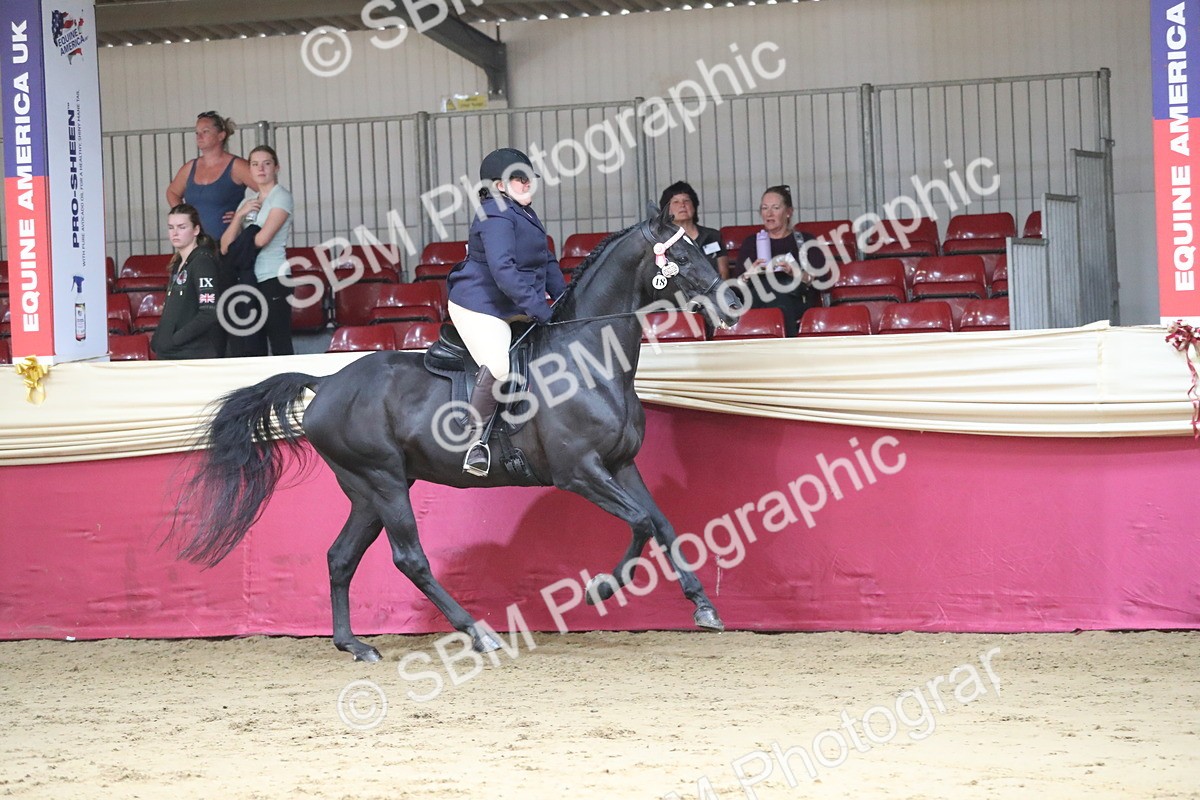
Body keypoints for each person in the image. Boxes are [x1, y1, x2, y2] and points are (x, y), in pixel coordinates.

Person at [446, 147, 568, 477]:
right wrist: (542, 310)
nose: (527, 183)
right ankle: (474, 443)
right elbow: (504, 271)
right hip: (481, 306)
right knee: (499, 365)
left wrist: (565, 300)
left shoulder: (524, 213)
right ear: (500, 186)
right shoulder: (495, 214)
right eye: (519, 178)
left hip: (513, 303)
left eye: (529, 177)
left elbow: (547, 262)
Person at [220, 145, 294, 357]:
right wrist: (238, 216)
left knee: (279, 341)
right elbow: (225, 246)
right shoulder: (247, 201)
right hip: (249, 280)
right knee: (253, 343)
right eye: (255, 164)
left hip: (274, 277)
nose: (260, 169)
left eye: (266, 163)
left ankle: (290, 389)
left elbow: (262, 239)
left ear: (276, 167)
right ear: (249, 170)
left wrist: (238, 243)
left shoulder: (281, 197)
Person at [733, 185, 826, 336]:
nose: (769, 213)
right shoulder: (751, 243)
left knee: (780, 299)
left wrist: (795, 272)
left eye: (775, 208)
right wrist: (748, 275)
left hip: (793, 299)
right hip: (758, 299)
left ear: (789, 212)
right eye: (764, 208)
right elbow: (736, 287)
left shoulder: (804, 241)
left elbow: (821, 280)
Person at [165, 111, 256, 243]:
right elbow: (172, 192)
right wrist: (184, 218)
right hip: (196, 244)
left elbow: (268, 192)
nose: (199, 136)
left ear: (221, 136)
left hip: (228, 244)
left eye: (205, 131)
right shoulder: (190, 167)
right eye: (197, 133)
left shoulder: (237, 166)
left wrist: (247, 216)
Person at [150, 204, 223, 360]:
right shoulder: (178, 263)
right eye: (171, 227)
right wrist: (159, 340)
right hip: (172, 354)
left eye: (182, 227)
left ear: (196, 230)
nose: (175, 233)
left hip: (191, 355)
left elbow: (209, 312)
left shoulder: (202, 261)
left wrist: (174, 340)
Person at [659, 181, 729, 280]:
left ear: (694, 206)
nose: (682, 205)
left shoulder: (713, 236)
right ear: (667, 210)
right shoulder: (662, 241)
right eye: (676, 202)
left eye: (686, 200)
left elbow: (724, 274)